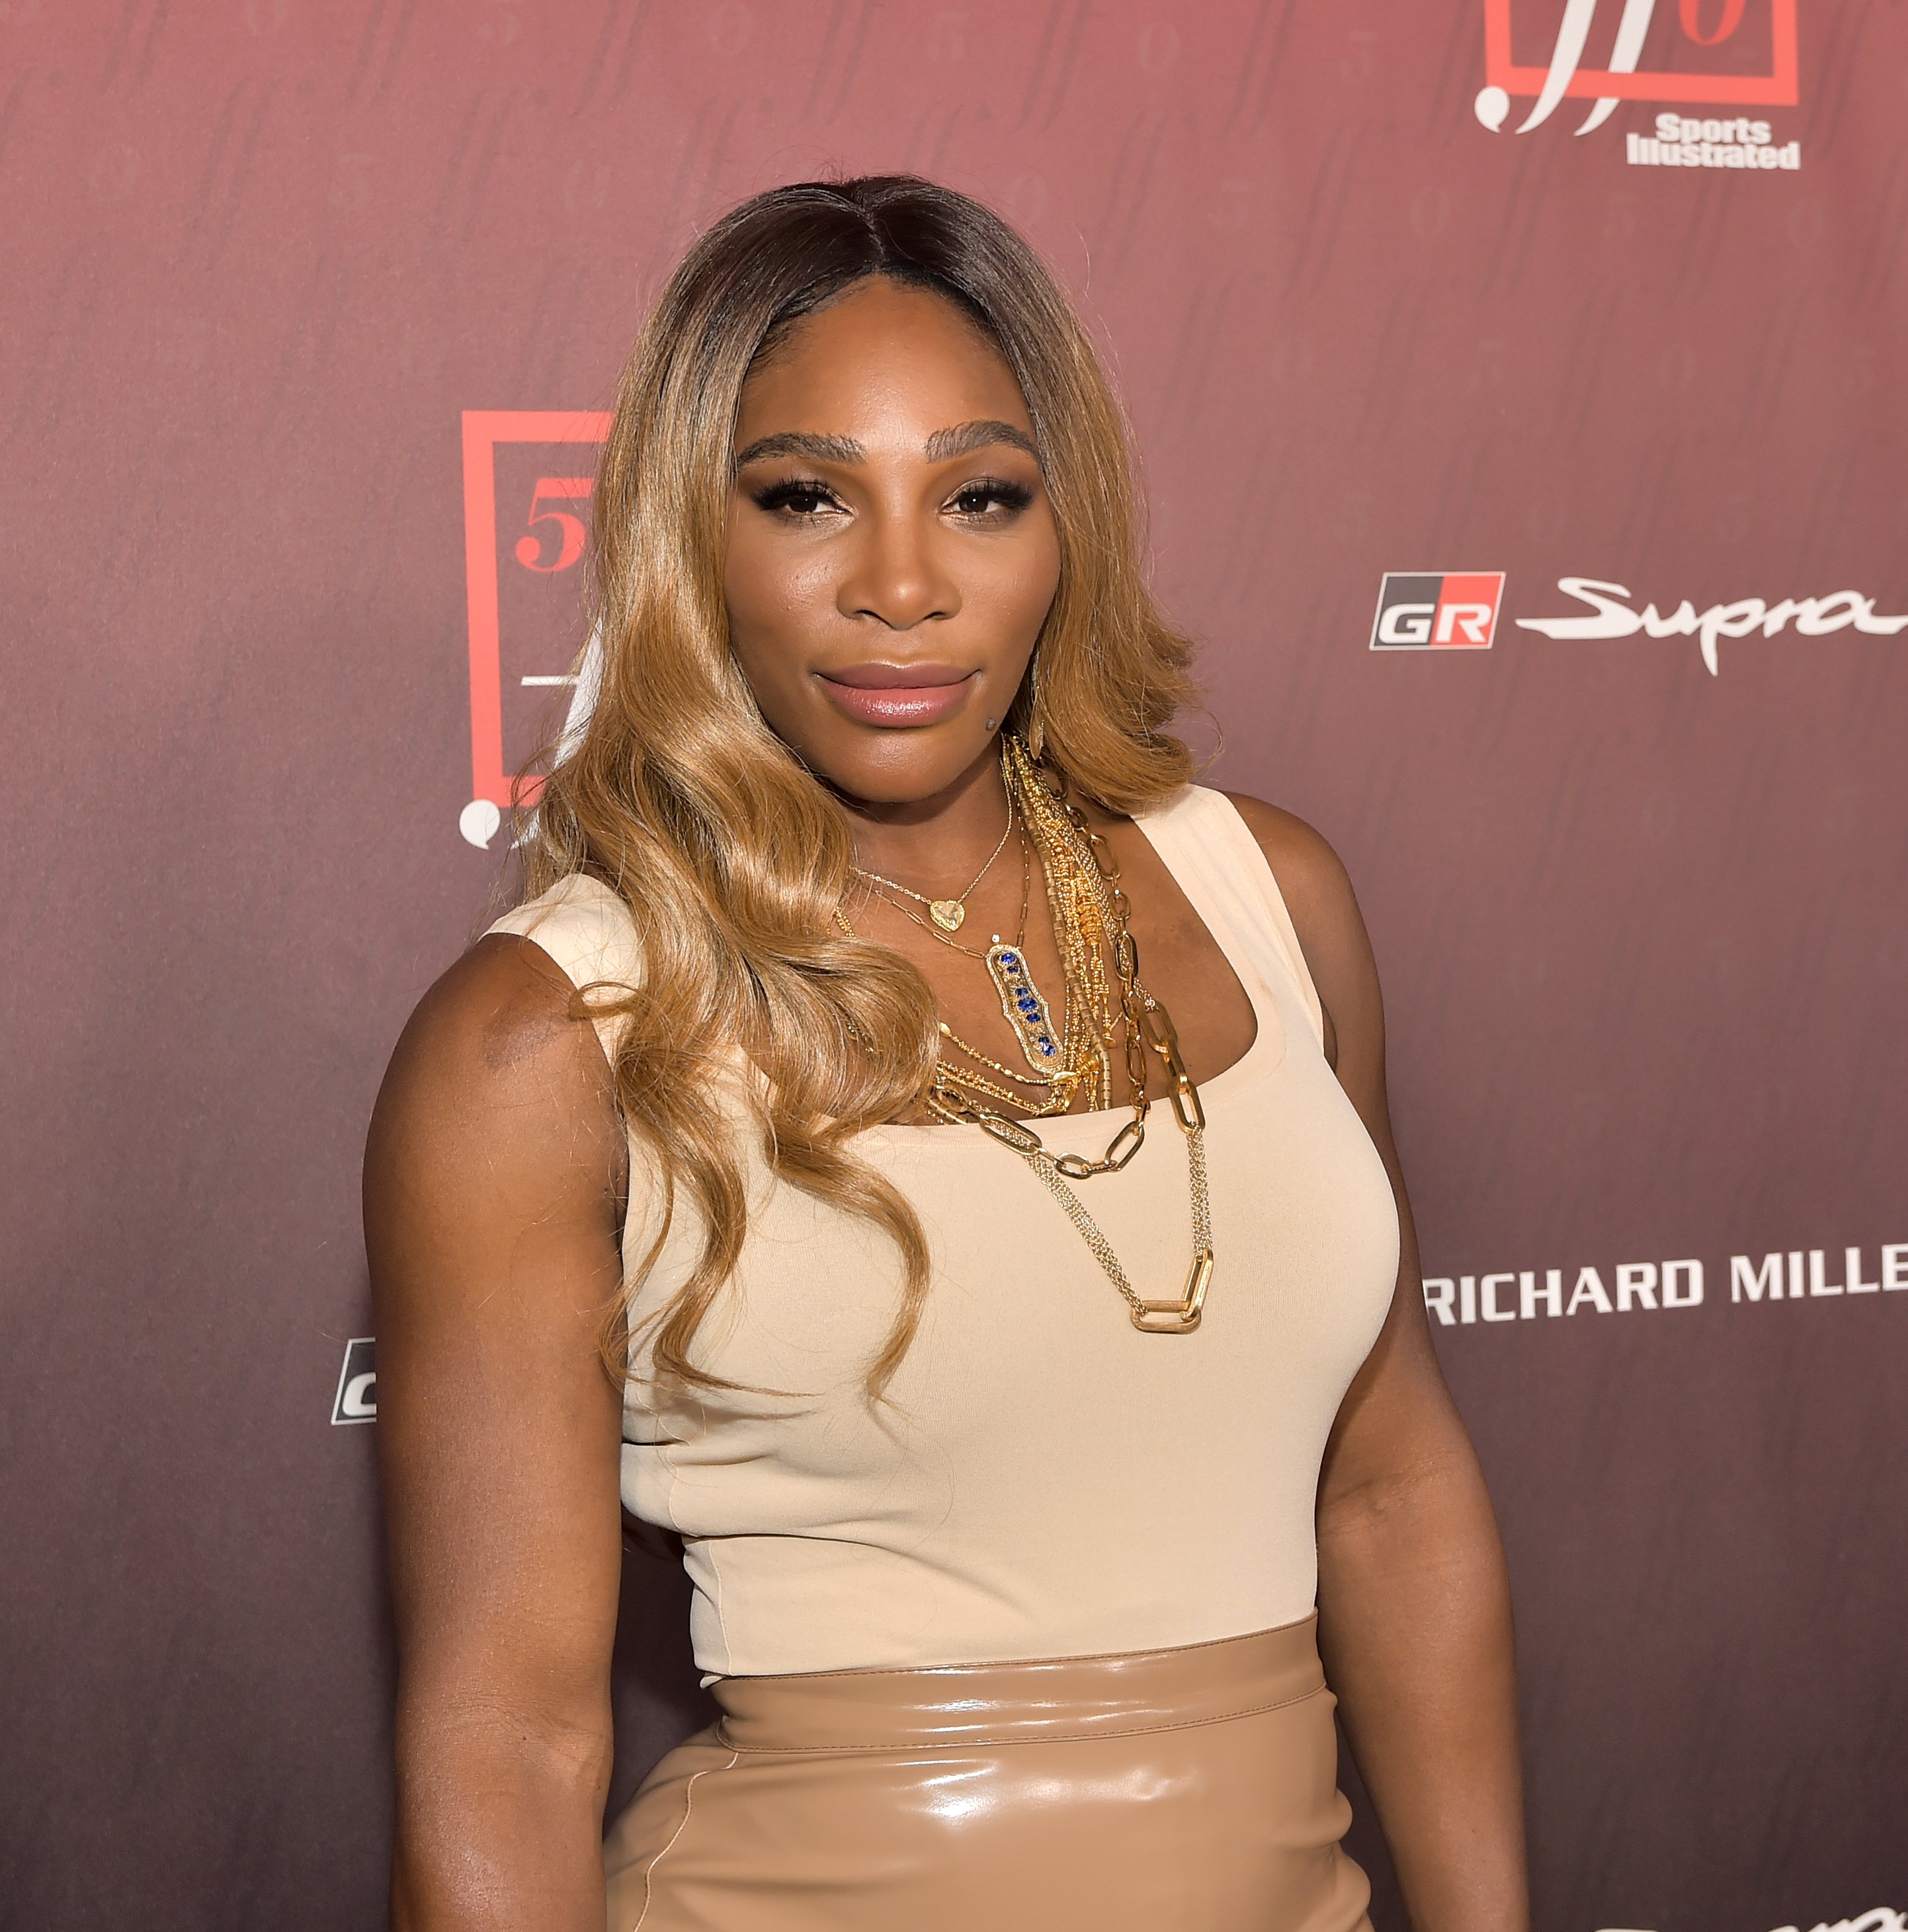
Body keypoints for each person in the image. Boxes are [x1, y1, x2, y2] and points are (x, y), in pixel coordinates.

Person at [364, 175, 1529, 1931]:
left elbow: (1389, 1491)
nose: (902, 583)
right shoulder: (548, 1039)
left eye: (980, 494)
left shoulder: (1271, 896)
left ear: (1068, 527)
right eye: (808, 496)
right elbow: (507, 1747)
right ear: (695, 533)